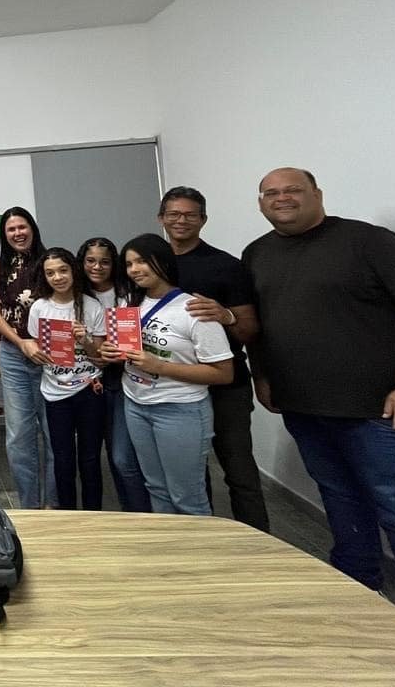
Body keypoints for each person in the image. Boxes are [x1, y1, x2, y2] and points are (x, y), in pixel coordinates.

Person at [242, 167, 395, 652]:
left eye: (293, 190)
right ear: (260, 203)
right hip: (306, 409)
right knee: (340, 501)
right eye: (270, 193)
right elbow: (260, 326)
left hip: (380, 414)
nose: (282, 198)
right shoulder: (257, 253)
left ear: (317, 194)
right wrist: (263, 375)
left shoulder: (371, 243)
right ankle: (357, 588)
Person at [158, 186, 269, 531]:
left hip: (225, 388)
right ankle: (203, 539)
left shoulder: (226, 266)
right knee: (190, 474)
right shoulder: (152, 265)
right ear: (161, 218)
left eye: (190, 214)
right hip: (174, 385)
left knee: (239, 470)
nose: (181, 220)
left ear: (203, 219)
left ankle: (258, 544)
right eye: (174, 214)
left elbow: (250, 330)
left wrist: (226, 316)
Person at [101, 234, 233, 516]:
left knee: (187, 496)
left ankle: (198, 546)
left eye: (142, 261)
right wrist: (112, 353)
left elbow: (223, 373)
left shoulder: (193, 309)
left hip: (180, 409)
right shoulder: (128, 305)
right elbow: (125, 353)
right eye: (129, 264)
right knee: (156, 487)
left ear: (162, 261)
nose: (134, 269)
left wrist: (160, 367)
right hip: (136, 404)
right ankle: (169, 543)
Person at [0, 206, 56, 508]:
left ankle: (54, 503)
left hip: (51, 357)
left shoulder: (51, 261)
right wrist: (18, 344)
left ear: (32, 229)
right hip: (14, 355)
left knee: (53, 433)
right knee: (18, 437)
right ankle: (30, 505)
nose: (18, 233)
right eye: (11, 229)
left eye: (22, 227)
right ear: (4, 234)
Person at [26, 248, 106, 511]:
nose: (57, 277)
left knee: (90, 458)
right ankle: (68, 513)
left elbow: (101, 358)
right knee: (62, 458)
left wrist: (85, 339)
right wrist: (36, 352)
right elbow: (36, 348)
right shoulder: (39, 307)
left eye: (63, 270)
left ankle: (94, 514)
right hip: (55, 393)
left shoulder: (91, 306)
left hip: (89, 390)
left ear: (73, 270)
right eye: (50, 273)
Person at [78, 236, 150, 512]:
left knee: (122, 457)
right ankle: (120, 513)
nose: (97, 267)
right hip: (87, 383)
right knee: (98, 455)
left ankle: (140, 514)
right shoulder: (75, 294)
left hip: (125, 380)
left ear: (114, 264)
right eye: (90, 261)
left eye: (104, 262)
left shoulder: (131, 295)